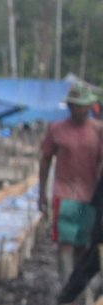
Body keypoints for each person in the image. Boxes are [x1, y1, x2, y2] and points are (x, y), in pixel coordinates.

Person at [38, 85, 103, 283]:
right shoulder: (57, 130)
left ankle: (79, 285)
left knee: (83, 242)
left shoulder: (98, 131)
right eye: (77, 106)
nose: (81, 110)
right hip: (64, 194)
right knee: (65, 241)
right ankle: (67, 287)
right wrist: (42, 192)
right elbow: (46, 159)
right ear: (70, 106)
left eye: (85, 106)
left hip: (88, 195)